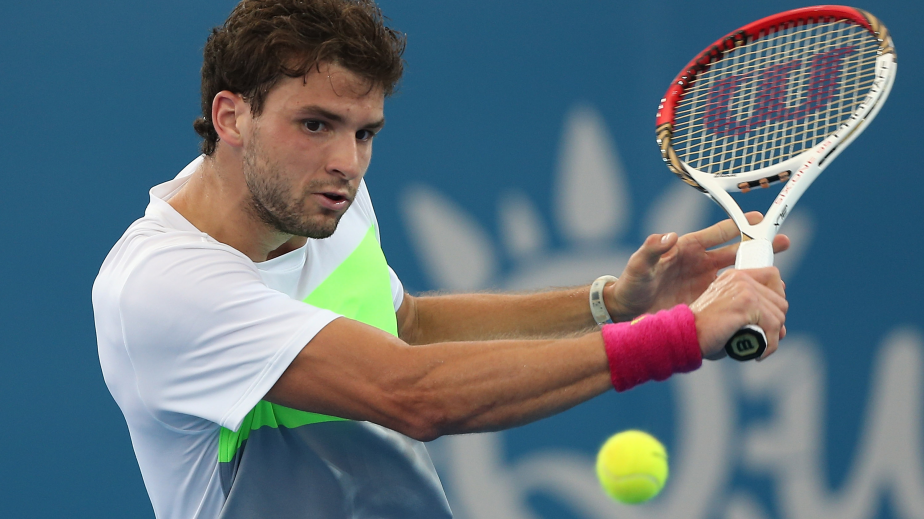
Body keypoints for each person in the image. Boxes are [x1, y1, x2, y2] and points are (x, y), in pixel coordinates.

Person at [92, 0, 789, 518]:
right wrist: (677, 336)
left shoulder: (321, 198)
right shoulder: (165, 286)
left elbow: (409, 327)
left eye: (364, 133)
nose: (346, 162)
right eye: (315, 124)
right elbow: (414, 394)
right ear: (231, 117)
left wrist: (612, 303)